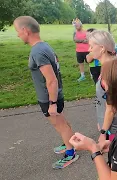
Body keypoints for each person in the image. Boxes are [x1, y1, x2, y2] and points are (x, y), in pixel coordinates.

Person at [13, 16, 79, 169]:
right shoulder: (44, 46)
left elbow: (52, 80)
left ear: (25, 30)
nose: (17, 35)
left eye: (18, 31)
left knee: (61, 125)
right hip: (53, 95)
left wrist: (52, 103)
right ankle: (68, 143)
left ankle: (71, 154)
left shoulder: (38, 51)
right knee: (62, 123)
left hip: (49, 97)